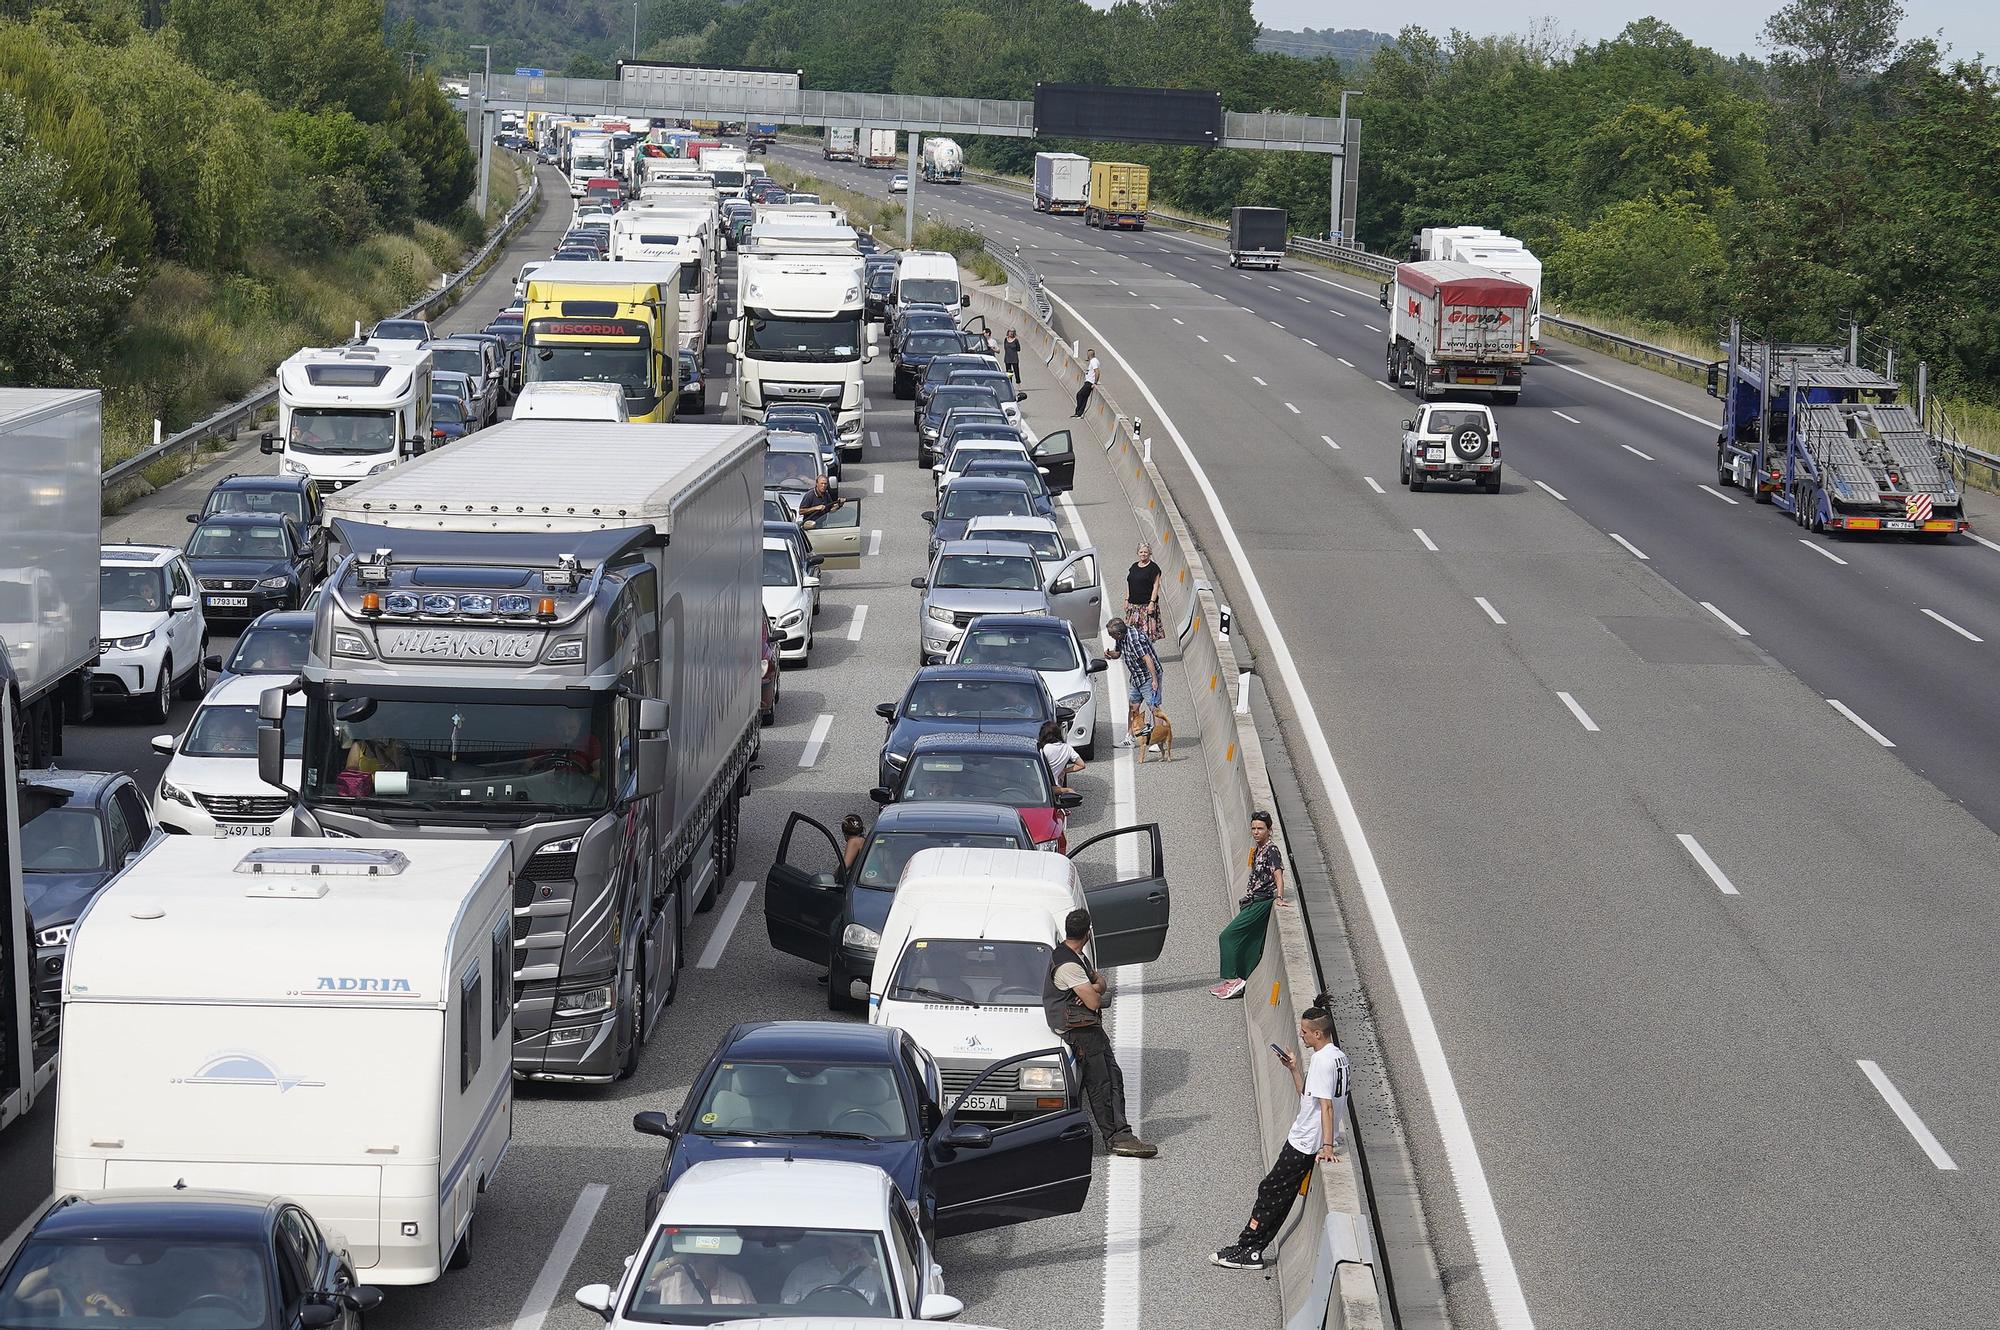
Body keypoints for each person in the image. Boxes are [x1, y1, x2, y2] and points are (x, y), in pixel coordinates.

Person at [1212, 996, 1350, 1271]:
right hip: (1308, 1138)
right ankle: (1250, 1245)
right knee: (1277, 1192)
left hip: (1305, 1143)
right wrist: (1294, 1069)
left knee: (1271, 1191)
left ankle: (1249, 1249)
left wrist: (1326, 1147)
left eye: (1305, 1032)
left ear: (1318, 1033)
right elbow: (1309, 1097)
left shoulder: (1323, 1062)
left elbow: (1326, 1108)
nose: (1301, 1035)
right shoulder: (1338, 1058)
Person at [1043, 907, 1157, 1158]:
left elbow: (1100, 984)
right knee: (1101, 1083)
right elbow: (1095, 1001)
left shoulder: (1075, 956)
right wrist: (1091, 991)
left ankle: (1119, 1132)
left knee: (1112, 1077)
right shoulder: (1068, 965)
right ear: (1087, 933)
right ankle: (1116, 1138)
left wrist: (1091, 988)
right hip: (1080, 1030)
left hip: (1088, 1027)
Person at [1212, 811, 1285, 1000]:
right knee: (1249, 943)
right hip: (1253, 901)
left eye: (1260, 828)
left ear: (1269, 830)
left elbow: (1278, 874)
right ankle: (1238, 979)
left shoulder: (1272, 850)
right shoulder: (1259, 848)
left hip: (1262, 902)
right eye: (1253, 828)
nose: (1256, 832)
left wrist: (1279, 896)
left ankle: (1232, 980)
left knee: (1227, 936)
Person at [780, 1233, 888, 1308]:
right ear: (829, 1243)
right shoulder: (803, 1272)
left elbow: (903, 1289)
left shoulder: (873, 1270)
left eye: (852, 1243)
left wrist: (871, 1262)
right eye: (842, 1244)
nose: (847, 1248)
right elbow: (786, 1311)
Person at [1104, 617, 1163, 745]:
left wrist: (1154, 680)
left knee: (1154, 708)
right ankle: (1129, 738)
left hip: (1148, 676)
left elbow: (1148, 659)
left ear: (1118, 634)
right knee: (1133, 707)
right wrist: (1110, 654)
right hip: (1136, 677)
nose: (1111, 637)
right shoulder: (1121, 637)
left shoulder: (1134, 640)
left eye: (1111, 635)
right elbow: (1118, 653)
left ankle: (1158, 741)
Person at [641, 1251, 754, 1309]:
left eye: (706, 1255)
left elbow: (752, 1316)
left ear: (716, 1258)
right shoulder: (675, 1276)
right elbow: (641, 1280)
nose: (700, 1259)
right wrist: (674, 1260)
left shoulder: (736, 1281)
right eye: (695, 1257)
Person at [1124, 542, 1163, 640]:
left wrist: (1152, 603)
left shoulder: (1154, 568)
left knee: (1145, 637)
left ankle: (1147, 654)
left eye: (1145, 552)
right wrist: (1126, 600)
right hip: (1133, 606)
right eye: (1141, 552)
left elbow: (1156, 586)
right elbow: (1129, 584)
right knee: (1132, 635)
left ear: (1150, 553)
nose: (1143, 554)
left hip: (1146, 606)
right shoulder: (1134, 566)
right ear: (1137, 553)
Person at [1039, 718, 1084, 792]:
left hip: (1042, 786)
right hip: (1056, 786)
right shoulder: (1067, 748)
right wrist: (1064, 770)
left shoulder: (1045, 748)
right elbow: (1081, 765)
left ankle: (1067, 790)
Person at [1072, 349, 1101, 417]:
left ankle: (1079, 412)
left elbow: (1097, 371)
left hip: (1090, 382)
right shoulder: (1094, 361)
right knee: (1084, 397)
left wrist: (1095, 382)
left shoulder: (1094, 361)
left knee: (1079, 395)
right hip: (1088, 381)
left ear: (1089, 355)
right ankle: (1078, 413)